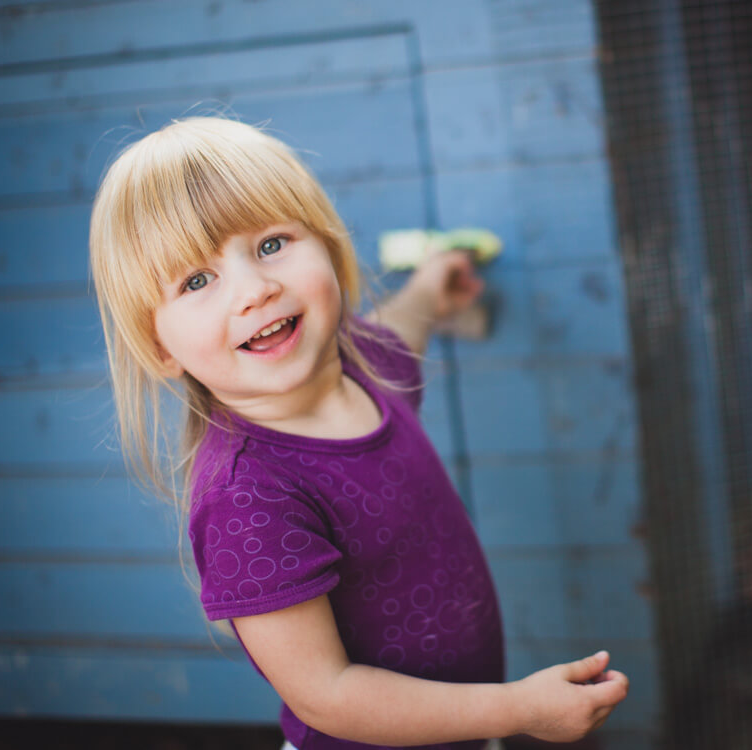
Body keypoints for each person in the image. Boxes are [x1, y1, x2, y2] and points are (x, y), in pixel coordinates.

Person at [89, 116, 629, 750]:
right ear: (159, 348)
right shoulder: (248, 496)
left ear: (328, 246)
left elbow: (402, 326)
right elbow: (327, 695)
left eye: (270, 245)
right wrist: (515, 710)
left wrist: (432, 285)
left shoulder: (364, 364)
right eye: (197, 281)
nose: (255, 290)